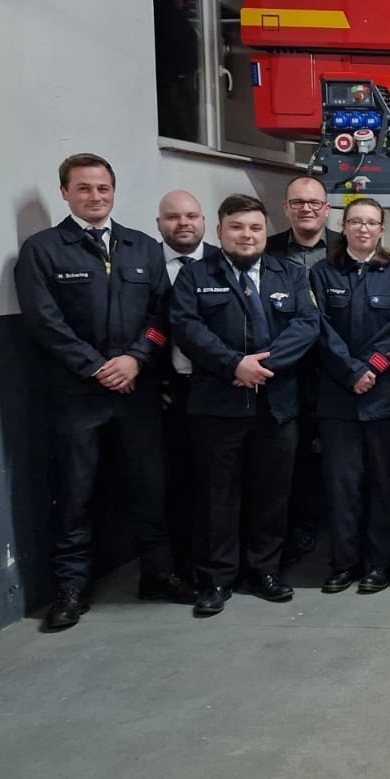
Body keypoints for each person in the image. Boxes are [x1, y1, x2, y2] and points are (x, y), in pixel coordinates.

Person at [15, 154, 178, 629]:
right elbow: (44, 322)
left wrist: (136, 359)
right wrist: (96, 367)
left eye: (103, 188)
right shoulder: (43, 250)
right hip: (76, 395)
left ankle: (159, 575)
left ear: (114, 191)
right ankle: (70, 588)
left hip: (138, 391)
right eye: (83, 188)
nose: (95, 197)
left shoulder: (143, 247)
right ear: (64, 193)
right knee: (74, 494)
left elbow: (162, 315)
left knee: (151, 487)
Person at [170, 194, 322, 616]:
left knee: (272, 493)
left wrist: (262, 366)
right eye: (237, 227)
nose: (247, 235)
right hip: (217, 405)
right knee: (217, 496)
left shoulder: (288, 274)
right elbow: (187, 326)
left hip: (276, 405)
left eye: (255, 227)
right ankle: (217, 579)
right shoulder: (195, 276)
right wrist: (233, 364)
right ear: (219, 231)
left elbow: (307, 325)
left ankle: (265, 572)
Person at [309, 197, 390, 595]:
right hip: (338, 399)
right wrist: (351, 370)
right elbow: (318, 327)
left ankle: (380, 563)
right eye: (355, 222)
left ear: (381, 229)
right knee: (342, 485)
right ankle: (344, 562)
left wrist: (371, 366)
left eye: (371, 223)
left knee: (384, 483)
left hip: (383, 398)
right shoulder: (322, 273)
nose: (362, 229)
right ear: (344, 225)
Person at [267, 175, 336, 564]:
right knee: (292, 453)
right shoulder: (268, 249)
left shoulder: (347, 246)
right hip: (284, 369)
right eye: (298, 202)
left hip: (335, 368)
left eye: (314, 203)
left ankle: (328, 519)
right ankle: (300, 525)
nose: (306, 209)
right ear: (286, 208)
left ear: (327, 208)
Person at [154, 189, 216, 599]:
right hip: (166, 388)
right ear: (159, 222)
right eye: (174, 217)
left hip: (221, 385)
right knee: (175, 482)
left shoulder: (221, 260)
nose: (183, 223)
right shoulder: (145, 262)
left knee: (218, 483)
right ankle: (176, 569)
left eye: (192, 215)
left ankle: (216, 565)